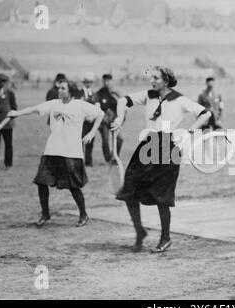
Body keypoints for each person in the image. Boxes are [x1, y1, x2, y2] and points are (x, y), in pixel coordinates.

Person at [111, 66, 211, 253]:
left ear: (166, 80)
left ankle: (165, 238)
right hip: (147, 146)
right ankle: (140, 231)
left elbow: (206, 113)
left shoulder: (180, 99)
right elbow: (123, 100)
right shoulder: (148, 95)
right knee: (128, 191)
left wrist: (190, 131)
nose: (152, 81)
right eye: (152, 77)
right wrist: (119, 117)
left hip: (168, 148)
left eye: (156, 78)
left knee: (162, 197)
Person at [7, 79, 104, 227]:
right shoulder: (53, 104)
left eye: (63, 89)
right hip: (52, 150)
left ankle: (83, 214)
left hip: (71, 152)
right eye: (59, 88)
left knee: (73, 186)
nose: (59, 90)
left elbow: (100, 114)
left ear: (70, 91)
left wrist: (92, 132)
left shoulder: (80, 105)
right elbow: (34, 109)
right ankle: (45, 214)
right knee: (41, 182)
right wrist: (17, 113)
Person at [94, 74, 123, 163]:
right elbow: (97, 106)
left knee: (119, 139)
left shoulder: (116, 92)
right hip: (104, 121)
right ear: (103, 81)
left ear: (112, 81)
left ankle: (115, 157)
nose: (107, 83)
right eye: (105, 81)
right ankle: (108, 159)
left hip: (114, 120)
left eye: (108, 81)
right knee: (105, 141)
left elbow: (123, 107)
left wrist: (116, 97)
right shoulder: (100, 93)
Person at [0, 73, 17, 170]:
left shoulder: (10, 93)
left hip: (7, 124)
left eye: (3, 81)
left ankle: (8, 164)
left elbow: (14, 108)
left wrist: (9, 118)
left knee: (8, 145)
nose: (1, 83)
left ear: (6, 82)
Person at [79, 72, 97, 166]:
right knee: (80, 141)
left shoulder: (94, 94)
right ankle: (80, 161)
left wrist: (93, 117)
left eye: (90, 81)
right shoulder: (79, 93)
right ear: (84, 82)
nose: (88, 83)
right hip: (82, 121)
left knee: (90, 141)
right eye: (87, 81)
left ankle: (88, 162)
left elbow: (97, 107)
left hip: (91, 121)